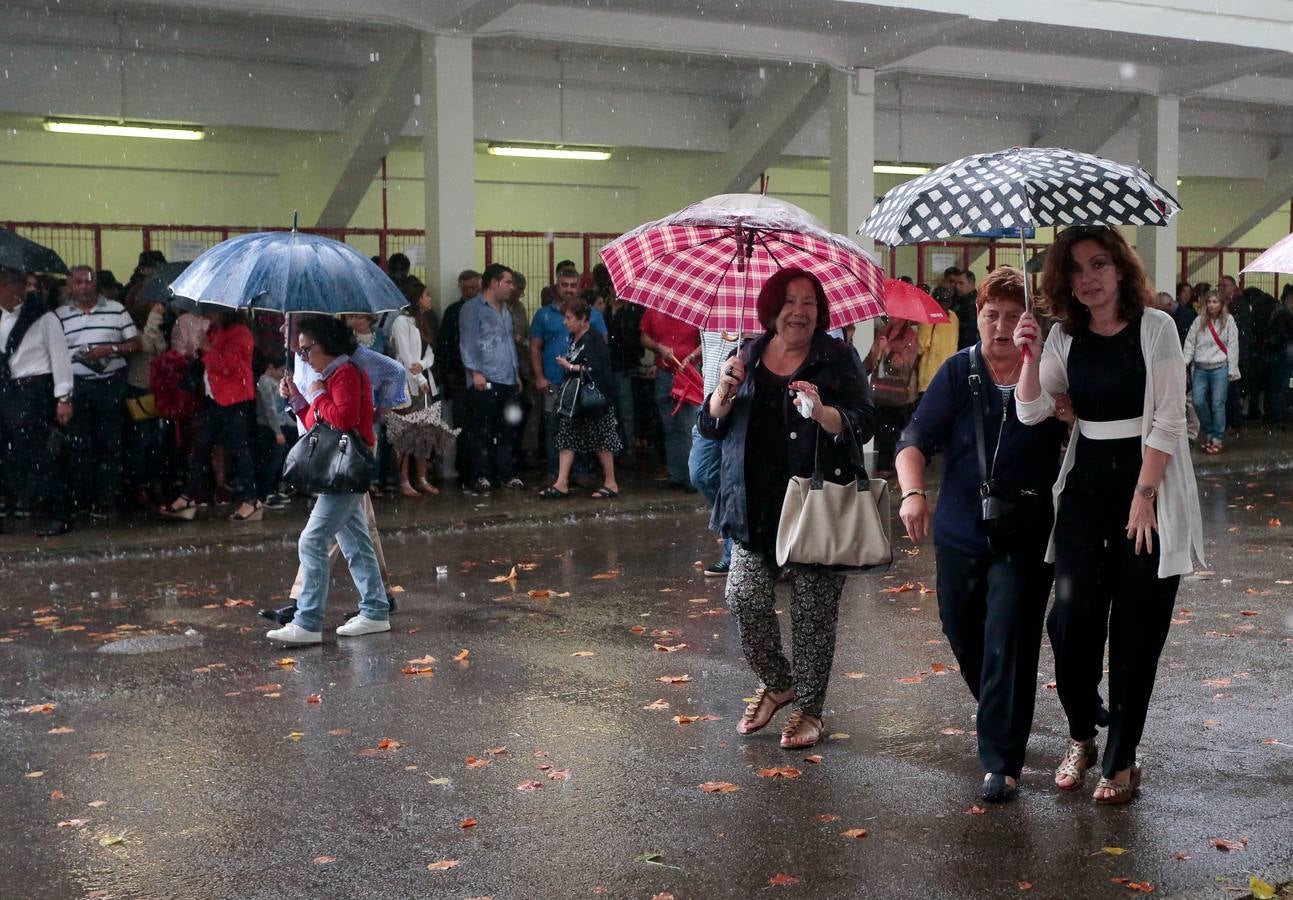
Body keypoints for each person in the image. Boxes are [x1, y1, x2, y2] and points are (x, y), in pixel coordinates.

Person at [1014, 225, 1205, 804]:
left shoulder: (1157, 328)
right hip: (1084, 492)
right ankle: (1083, 731)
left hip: (1149, 490)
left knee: (1135, 632)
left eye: (1098, 264)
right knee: (1069, 621)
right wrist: (1028, 354)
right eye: (1075, 269)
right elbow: (1031, 411)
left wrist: (1144, 495)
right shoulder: (1063, 337)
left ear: (1121, 269)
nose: (1088, 277)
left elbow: (1169, 418)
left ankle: (1121, 759)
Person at [895, 267, 1067, 803]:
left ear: (1029, 325)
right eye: (992, 315)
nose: (1001, 327)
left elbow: (1080, 429)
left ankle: (1001, 761)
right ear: (977, 317)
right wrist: (912, 492)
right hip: (961, 533)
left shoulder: (1049, 372)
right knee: (963, 632)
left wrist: (1058, 400)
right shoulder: (958, 372)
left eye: (1014, 317)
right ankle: (1003, 710)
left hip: (1026, 534)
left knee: (1007, 642)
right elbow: (914, 440)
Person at [699, 268, 877, 750]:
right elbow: (711, 427)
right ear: (771, 309)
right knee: (745, 599)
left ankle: (811, 710)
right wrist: (722, 393)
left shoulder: (837, 358)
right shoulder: (746, 356)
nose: (800, 311)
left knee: (813, 616)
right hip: (751, 505)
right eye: (790, 302)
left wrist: (823, 413)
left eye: (810, 303)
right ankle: (780, 684)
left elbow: (864, 421)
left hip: (816, 506)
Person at [267, 316, 390, 645]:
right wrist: (297, 399)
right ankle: (376, 611)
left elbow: (343, 421)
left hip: (347, 470)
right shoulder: (331, 376)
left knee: (312, 540)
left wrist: (318, 395)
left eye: (307, 350)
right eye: (302, 351)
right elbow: (317, 422)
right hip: (342, 469)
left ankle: (308, 620)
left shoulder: (346, 373)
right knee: (355, 543)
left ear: (327, 345)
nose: (303, 357)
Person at [56, 265, 141, 520]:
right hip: (77, 386)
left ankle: (106, 501)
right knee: (79, 445)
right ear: (71, 285)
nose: (83, 287)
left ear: (96, 285)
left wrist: (111, 349)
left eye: (88, 282)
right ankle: (82, 499)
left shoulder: (117, 310)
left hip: (110, 384)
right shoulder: (59, 316)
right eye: (78, 282)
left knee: (110, 444)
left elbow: (136, 344)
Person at [161, 306, 261, 522]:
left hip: (235, 400)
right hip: (213, 397)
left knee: (239, 448)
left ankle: (251, 499)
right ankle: (188, 495)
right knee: (201, 446)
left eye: (212, 312)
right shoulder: (216, 330)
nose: (208, 316)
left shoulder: (241, 333)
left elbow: (229, 367)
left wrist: (208, 349)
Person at [0, 266, 73, 537]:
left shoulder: (43, 317)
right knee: (9, 455)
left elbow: (60, 357)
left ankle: (57, 513)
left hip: (34, 391)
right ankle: (20, 504)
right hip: (6, 390)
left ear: (17, 287)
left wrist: (63, 396)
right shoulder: (2, 316)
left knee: (42, 455)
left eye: (3, 285)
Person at [538, 297, 621, 499]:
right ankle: (561, 482)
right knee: (567, 437)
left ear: (583, 318)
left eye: (569, 318)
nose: (565, 322)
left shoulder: (592, 338)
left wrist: (571, 367)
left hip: (593, 400)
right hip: (576, 400)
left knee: (602, 440)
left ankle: (611, 482)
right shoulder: (574, 337)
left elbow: (596, 368)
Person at [530, 267, 608, 480]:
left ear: (579, 286)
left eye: (573, 285)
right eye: (564, 285)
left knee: (581, 427)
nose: (569, 290)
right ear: (557, 285)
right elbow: (535, 347)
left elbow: (602, 348)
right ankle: (556, 473)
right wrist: (539, 377)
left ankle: (580, 473)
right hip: (553, 381)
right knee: (554, 428)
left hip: (582, 383)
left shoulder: (593, 315)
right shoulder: (544, 315)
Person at [459, 263, 524, 492]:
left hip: (507, 378)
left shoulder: (506, 310)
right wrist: (475, 372)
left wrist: (516, 373)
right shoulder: (472, 308)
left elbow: (509, 344)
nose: (511, 287)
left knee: (507, 429)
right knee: (481, 430)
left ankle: (506, 474)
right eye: (507, 282)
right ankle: (480, 475)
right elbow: (467, 342)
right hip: (484, 379)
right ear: (495, 283)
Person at [690, 329, 741, 576]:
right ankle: (738, 543)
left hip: (741, 405)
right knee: (700, 473)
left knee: (737, 481)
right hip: (710, 404)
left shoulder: (747, 306)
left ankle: (736, 553)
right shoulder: (708, 312)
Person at [388, 278, 444, 496]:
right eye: (426, 295)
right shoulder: (401, 322)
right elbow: (404, 355)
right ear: (417, 297)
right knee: (405, 435)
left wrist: (422, 366)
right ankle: (403, 480)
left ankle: (421, 477)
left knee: (423, 433)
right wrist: (419, 377)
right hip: (408, 385)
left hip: (423, 382)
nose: (430, 299)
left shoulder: (422, 321)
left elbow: (429, 352)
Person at [640, 307, 701, 489]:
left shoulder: (695, 308)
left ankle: (692, 477)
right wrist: (658, 347)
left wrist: (692, 356)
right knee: (671, 426)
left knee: (689, 426)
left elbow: (708, 339)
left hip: (689, 373)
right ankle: (677, 474)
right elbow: (643, 337)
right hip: (665, 372)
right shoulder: (654, 309)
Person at [435, 269, 480, 485]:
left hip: (481, 375)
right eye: (467, 288)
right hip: (460, 377)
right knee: (463, 427)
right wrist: (448, 376)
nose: (471, 292)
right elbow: (445, 346)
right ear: (460, 287)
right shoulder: (453, 312)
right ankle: (466, 472)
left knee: (481, 425)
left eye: (475, 288)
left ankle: (480, 470)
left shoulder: (484, 310)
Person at [1182, 289, 1240, 454]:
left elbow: (1233, 345)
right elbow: (1190, 343)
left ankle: (1217, 438)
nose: (1211, 305)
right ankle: (1209, 431)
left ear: (1221, 304)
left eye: (1215, 302)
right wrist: (1184, 363)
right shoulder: (1199, 321)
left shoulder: (1228, 321)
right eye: (1209, 302)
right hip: (1200, 367)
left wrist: (1232, 368)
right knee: (1198, 402)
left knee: (1217, 404)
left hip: (1220, 367)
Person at [864, 315, 920, 476]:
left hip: (895, 395)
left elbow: (905, 368)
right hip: (877, 392)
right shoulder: (883, 331)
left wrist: (888, 350)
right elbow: (870, 360)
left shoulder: (910, 336)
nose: (890, 315)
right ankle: (884, 468)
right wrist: (856, 373)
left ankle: (886, 469)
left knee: (889, 433)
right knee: (878, 431)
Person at [1266, 285, 1293, 428]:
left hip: (1278, 357)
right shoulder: (1283, 314)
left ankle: (1277, 416)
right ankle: (1278, 418)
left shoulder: (1279, 312)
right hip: (1281, 358)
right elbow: (1283, 335)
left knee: (1280, 387)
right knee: (1281, 387)